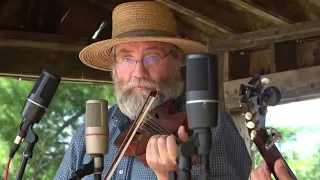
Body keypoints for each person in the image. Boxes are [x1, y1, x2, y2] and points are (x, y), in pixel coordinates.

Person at [54, 1, 291, 180]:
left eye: (152, 57)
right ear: (113, 67)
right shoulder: (88, 135)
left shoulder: (210, 124)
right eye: (126, 58)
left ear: (176, 60)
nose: (138, 73)